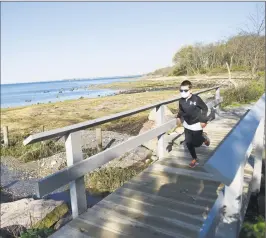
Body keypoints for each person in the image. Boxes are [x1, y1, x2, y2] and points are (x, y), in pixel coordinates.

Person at [176, 80, 215, 168]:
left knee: (197, 144)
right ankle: (194, 159)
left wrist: (203, 120)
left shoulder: (196, 99)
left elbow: (204, 108)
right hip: (187, 124)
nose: (183, 92)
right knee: (188, 143)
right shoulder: (181, 101)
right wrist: (178, 117)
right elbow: (181, 110)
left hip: (197, 124)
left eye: (185, 90)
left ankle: (204, 138)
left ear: (190, 90)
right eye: (181, 90)